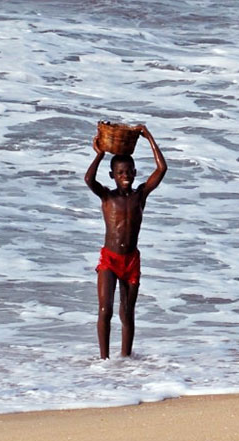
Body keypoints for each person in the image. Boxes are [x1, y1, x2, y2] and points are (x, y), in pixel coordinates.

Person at [85, 125, 167, 359]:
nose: (126, 176)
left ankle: (126, 360)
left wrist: (148, 136)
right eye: (120, 173)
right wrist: (100, 153)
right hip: (110, 260)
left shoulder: (140, 195)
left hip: (131, 260)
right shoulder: (107, 196)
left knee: (127, 312)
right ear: (112, 176)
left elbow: (162, 168)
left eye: (130, 172)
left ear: (135, 172)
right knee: (105, 309)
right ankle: (104, 360)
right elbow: (88, 179)